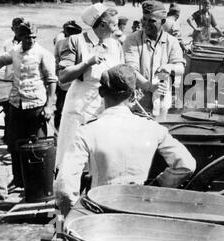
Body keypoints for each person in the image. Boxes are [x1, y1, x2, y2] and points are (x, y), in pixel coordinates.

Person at [54, 64, 196, 215]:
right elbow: (187, 164)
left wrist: (77, 215)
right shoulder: (154, 128)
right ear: (134, 95)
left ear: (101, 92)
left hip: (100, 213)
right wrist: (159, 185)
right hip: (142, 210)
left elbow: (64, 187)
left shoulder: (86, 132)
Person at [55, 3, 124, 171]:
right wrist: (87, 62)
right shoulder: (75, 41)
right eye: (114, 24)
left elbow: (121, 74)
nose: (117, 28)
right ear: (102, 24)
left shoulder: (115, 45)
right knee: (73, 160)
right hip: (79, 109)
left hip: (106, 109)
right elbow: (63, 76)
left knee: (100, 161)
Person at [0, 22, 57, 188]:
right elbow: (1, 59)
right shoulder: (15, 51)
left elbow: (51, 81)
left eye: (33, 37)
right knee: (14, 144)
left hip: (36, 104)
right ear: (20, 37)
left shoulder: (43, 54)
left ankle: (39, 183)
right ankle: (19, 180)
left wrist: (49, 106)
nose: (30, 40)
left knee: (38, 145)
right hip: (16, 104)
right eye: (27, 37)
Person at [123, 0, 186, 113]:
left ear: (162, 21)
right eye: (144, 19)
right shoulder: (133, 39)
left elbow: (181, 68)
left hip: (162, 103)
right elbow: (131, 69)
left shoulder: (172, 41)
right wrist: (150, 87)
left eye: (151, 20)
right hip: (137, 104)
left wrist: (170, 67)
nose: (146, 24)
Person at [0, 17, 24, 147]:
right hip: (8, 82)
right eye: (16, 28)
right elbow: (0, 60)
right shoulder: (7, 43)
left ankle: (19, 139)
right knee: (8, 111)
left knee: (19, 113)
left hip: (23, 83)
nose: (18, 30)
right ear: (12, 29)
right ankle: (8, 138)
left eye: (20, 28)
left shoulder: (28, 42)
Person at [53, 20, 83, 130]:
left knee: (62, 110)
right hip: (66, 82)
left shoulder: (60, 41)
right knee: (63, 110)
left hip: (65, 82)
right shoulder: (63, 42)